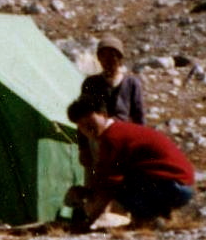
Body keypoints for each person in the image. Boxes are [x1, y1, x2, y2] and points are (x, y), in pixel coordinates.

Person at [64, 96, 194, 228]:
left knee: (119, 187)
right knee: (120, 182)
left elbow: (109, 187)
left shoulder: (112, 138)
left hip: (174, 186)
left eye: (90, 120)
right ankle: (155, 217)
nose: (87, 127)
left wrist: (89, 222)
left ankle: (149, 219)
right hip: (177, 184)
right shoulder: (117, 132)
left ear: (103, 115)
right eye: (81, 125)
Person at [76, 35, 145, 172]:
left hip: (123, 142)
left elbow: (139, 117)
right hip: (96, 142)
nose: (108, 60)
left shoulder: (131, 83)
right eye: (103, 56)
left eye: (113, 55)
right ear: (99, 59)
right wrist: (83, 148)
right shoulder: (91, 83)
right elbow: (82, 117)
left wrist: (139, 147)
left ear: (120, 59)